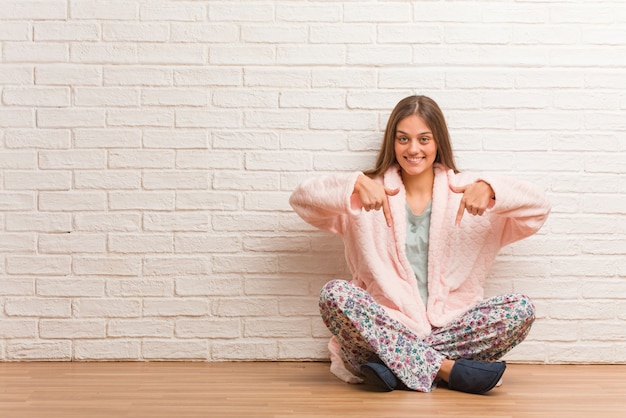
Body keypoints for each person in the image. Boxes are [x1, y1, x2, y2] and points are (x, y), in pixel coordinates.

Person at [289, 95, 551, 394]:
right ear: (393, 142)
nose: (413, 149)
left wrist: (493, 189)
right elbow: (302, 201)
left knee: (520, 308)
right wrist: (354, 183)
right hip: (386, 324)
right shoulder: (365, 195)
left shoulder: (469, 193)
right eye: (404, 139)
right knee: (334, 294)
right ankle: (446, 369)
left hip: (447, 330)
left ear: (438, 141)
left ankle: (394, 368)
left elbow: (538, 209)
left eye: (423, 139)